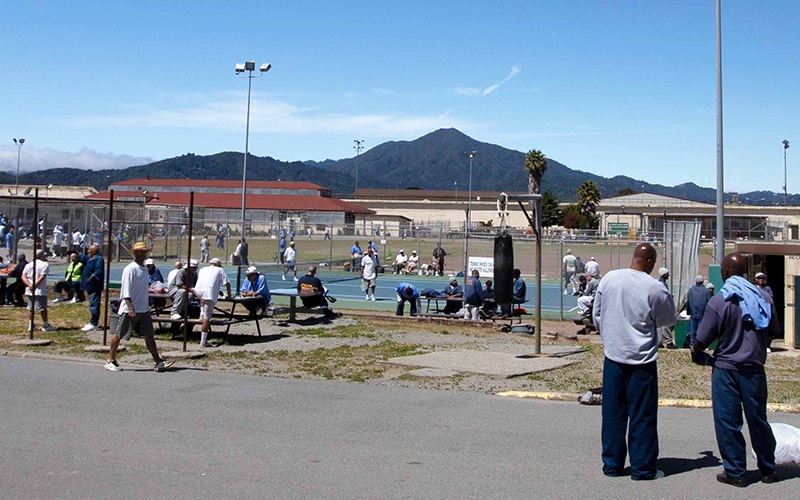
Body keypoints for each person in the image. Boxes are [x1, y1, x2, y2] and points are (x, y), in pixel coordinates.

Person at [692, 253, 779, 487]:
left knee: (728, 421)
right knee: (759, 420)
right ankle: (768, 469)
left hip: (727, 369)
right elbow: (773, 330)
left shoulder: (721, 300)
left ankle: (736, 471)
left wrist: (695, 352)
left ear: (727, 270)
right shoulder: (763, 298)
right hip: (755, 368)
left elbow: (702, 338)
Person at [592, 243, 675, 481]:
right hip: (642, 360)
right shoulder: (655, 287)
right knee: (643, 416)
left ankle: (612, 464)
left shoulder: (610, 279)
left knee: (612, 414)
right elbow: (666, 320)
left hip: (614, 356)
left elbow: (597, 315)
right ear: (650, 262)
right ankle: (642, 468)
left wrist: (611, 332)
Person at [105, 241, 174, 372]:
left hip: (143, 309)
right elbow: (125, 291)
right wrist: (131, 308)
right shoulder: (130, 269)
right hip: (130, 309)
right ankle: (110, 360)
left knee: (149, 336)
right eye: (139, 252)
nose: (142, 254)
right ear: (135, 253)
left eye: (144, 252)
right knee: (119, 335)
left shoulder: (143, 269)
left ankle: (158, 361)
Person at [194, 257, 232, 347]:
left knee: (202, 298)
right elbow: (227, 283)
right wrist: (229, 296)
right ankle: (203, 341)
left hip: (198, 290)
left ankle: (201, 312)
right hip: (209, 293)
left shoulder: (203, 269)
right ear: (218, 264)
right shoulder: (219, 270)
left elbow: (206, 282)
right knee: (207, 318)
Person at [21, 250, 57, 332]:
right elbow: (42, 276)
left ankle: (31, 324)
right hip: (40, 290)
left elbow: (23, 276)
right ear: (41, 256)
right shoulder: (44, 264)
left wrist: (29, 285)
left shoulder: (28, 265)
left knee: (30, 308)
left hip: (29, 290)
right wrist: (34, 285)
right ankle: (45, 325)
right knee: (42, 308)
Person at [79, 245, 104, 331]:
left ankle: (94, 323)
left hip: (94, 285)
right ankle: (92, 321)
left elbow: (99, 271)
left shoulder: (98, 259)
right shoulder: (91, 258)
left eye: (89, 250)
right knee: (91, 303)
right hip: (89, 286)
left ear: (94, 251)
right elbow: (83, 259)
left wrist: (91, 277)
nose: (88, 251)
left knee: (94, 304)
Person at [686, 275, 713, 348]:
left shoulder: (691, 290)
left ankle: (692, 344)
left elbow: (688, 302)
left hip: (693, 313)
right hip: (703, 314)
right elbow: (709, 303)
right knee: (701, 330)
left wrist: (688, 312)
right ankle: (701, 345)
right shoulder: (706, 291)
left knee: (693, 330)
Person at [657, 267, 677, 348]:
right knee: (665, 324)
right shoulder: (662, 284)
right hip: (663, 307)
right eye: (667, 274)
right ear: (664, 274)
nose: (668, 275)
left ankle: (658, 341)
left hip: (660, 307)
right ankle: (668, 342)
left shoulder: (661, 283)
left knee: (658, 325)